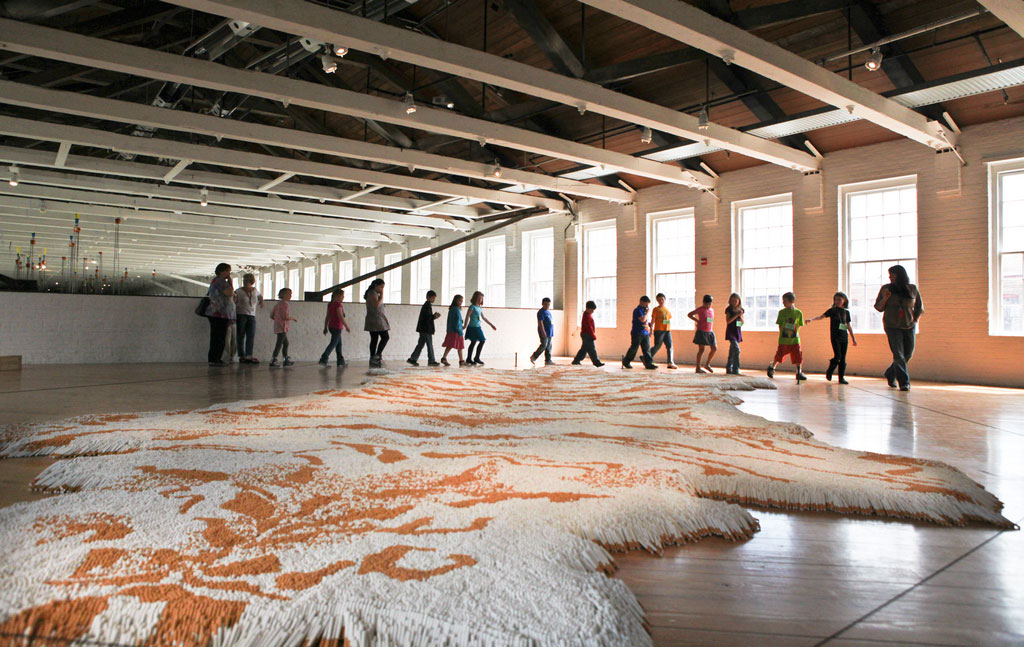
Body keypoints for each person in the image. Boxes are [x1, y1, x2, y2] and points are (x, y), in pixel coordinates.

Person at [874, 264, 924, 391]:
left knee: (908, 353)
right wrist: (886, 298)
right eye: (889, 275)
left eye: (892, 275)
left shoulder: (912, 288)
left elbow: (919, 306)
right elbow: (878, 307)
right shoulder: (886, 289)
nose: (890, 277)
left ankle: (890, 373)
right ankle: (904, 382)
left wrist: (915, 319)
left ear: (900, 275)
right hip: (892, 326)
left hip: (909, 326)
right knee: (898, 354)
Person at [808, 291, 858, 384]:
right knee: (837, 356)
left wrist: (853, 338)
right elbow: (821, 316)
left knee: (843, 358)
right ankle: (830, 370)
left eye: (839, 299)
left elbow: (848, 326)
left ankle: (841, 378)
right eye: (835, 300)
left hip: (844, 337)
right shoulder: (832, 311)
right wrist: (811, 319)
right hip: (835, 336)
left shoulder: (846, 312)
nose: (837, 301)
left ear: (844, 300)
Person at [768, 292, 806, 381]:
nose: (783, 303)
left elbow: (800, 324)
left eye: (785, 301)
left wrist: (794, 332)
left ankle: (799, 372)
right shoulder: (781, 312)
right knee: (780, 355)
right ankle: (772, 367)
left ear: (791, 301)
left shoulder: (798, 313)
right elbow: (780, 325)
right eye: (783, 301)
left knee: (798, 356)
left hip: (795, 339)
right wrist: (784, 333)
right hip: (784, 339)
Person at [204, 262, 234, 366]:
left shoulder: (215, 281)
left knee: (217, 336)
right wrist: (230, 283)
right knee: (219, 337)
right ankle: (215, 358)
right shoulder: (220, 281)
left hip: (217, 313)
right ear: (222, 271)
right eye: (227, 271)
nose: (229, 274)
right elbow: (230, 293)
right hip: (218, 313)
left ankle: (215, 358)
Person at [408, 290, 442, 367]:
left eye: (434, 298)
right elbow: (427, 318)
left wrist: (433, 316)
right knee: (429, 345)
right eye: (432, 298)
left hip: (423, 329)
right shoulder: (427, 306)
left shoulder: (427, 305)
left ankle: (413, 359)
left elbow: (427, 317)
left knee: (420, 344)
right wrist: (434, 316)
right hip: (426, 329)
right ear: (427, 297)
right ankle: (431, 360)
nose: (433, 299)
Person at [234, 273, 263, 364]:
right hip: (241, 314)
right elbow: (234, 299)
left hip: (252, 315)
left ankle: (249, 355)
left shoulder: (255, 290)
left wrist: (261, 301)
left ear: (251, 282)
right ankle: (241, 355)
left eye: (247, 280)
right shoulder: (239, 291)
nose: (245, 282)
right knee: (240, 335)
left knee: (251, 335)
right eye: (244, 280)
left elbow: (260, 296)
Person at [622, 295, 657, 370]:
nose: (647, 306)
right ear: (641, 302)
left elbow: (645, 321)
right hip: (637, 332)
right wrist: (647, 313)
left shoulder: (644, 310)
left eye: (648, 304)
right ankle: (626, 361)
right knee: (634, 348)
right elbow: (643, 319)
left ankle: (649, 363)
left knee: (647, 349)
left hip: (645, 333)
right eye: (646, 304)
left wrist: (649, 329)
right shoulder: (637, 310)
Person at [319, 288, 351, 367]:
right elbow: (341, 317)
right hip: (337, 327)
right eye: (342, 296)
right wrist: (346, 326)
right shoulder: (338, 305)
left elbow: (327, 317)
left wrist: (325, 327)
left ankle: (340, 361)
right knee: (333, 344)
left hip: (331, 327)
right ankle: (323, 359)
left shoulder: (330, 304)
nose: (343, 297)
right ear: (337, 296)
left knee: (338, 344)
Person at [464, 291, 497, 366]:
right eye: (479, 298)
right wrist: (465, 325)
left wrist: (491, 325)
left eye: (481, 298)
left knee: (480, 341)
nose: (480, 300)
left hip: (478, 327)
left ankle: (475, 358)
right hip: (472, 327)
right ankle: (470, 358)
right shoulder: (472, 307)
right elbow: (467, 316)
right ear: (475, 298)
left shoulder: (479, 307)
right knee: (477, 341)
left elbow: (483, 317)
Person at [364, 278, 390, 368]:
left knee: (374, 339)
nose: (382, 289)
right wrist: (382, 296)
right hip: (376, 320)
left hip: (374, 319)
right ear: (375, 286)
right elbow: (376, 304)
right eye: (381, 287)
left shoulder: (372, 293)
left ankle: (373, 358)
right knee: (385, 337)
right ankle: (377, 355)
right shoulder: (372, 293)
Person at [688, 294, 717, 373]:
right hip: (701, 331)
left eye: (709, 304)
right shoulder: (700, 309)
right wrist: (697, 321)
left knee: (714, 348)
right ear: (703, 303)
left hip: (710, 331)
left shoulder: (712, 310)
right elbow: (689, 314)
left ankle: (707, 364)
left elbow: (710, 320)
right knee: (701, 349)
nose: (708, 305)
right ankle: (698, 368)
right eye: (706, 304)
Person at [269, 287, 296, 368]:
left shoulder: (278, 304)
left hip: (278, 326)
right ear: (283, 295)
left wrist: (277, 320)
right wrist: (292, 318)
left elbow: (272, 315)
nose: (290, 296)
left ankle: (285, 359)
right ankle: (274, 360)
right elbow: (285, 317)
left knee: (286, 343)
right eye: (289, 294)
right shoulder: (285, 305)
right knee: (279, 343)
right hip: (282, 327)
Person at [571, 300, 604, 367]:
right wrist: (593, 335)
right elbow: (589, 327)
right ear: (587, 308)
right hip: (587, 335)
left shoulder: (588, 314)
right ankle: (596, 362)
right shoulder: (586, 316)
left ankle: (576, 360)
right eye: (592, 310)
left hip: (586, 334)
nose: (593, 311)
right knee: (592, 349)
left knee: (584, 349)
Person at [649, 293, 677, 368]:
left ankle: (670, 362)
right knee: (657, 345)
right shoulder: (656, 309)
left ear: (665, 299)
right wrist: (651, 329)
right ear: (657, 301)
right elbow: (653, 320)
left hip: (667, 330)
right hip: (659, 330)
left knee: (669, 346)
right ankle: (647, 357)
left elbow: (667, 320)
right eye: (659, 300)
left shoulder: (667, 309)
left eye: (662, 299)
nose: (661, 301)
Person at [440, 294, 465, 366]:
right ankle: (460, 360)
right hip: (456, 331)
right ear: (456, 300)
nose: (461, 302)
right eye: (459, 300)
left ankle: (460, 360)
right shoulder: (456, 309)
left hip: (451, 330)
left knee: (451, 345)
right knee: (457, 345)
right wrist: (460, 329)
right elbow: (457, 321)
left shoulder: (452, 309)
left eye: (462, 301)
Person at [530, 297, 555, 366]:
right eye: (545, 304)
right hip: (544, 332)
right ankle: (534, 356)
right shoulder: (541, 312)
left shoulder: (548, 312)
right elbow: (540, 322)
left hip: (549, 332)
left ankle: (548, 360)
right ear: (542, 304)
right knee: (544, 345)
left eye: (548, 305)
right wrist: (543, 331)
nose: (547, 306)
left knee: (549, 346)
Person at [724, 293, 744, 375]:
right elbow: (728, 321)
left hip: (737, 331)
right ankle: (736, 369)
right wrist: (736, 315)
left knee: (732, 351)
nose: (734, 302)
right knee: (736, 349)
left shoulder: (741, 310)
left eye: (736, 301)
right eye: (732, 301)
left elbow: (742, 323)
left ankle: (729, 367)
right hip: (731, 332)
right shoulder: (729, 310)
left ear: (739, 301)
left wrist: (741, 316)